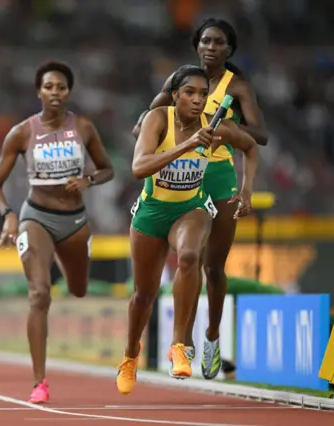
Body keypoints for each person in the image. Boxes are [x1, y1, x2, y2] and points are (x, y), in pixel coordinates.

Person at [132, 18, 268, 380]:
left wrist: (224, 130)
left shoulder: (236, 86)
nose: (210, 47)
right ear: (196, 45)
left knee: (213, 266)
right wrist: (151, 127)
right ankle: (183, 342)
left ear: (229, 49)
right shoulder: (179, 81)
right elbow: (144, 119)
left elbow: (260, 137)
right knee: (186, 258)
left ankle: (211, 338)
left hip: (219, 176)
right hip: (178, 173)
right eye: (205, 40)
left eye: (218, 42)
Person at [0, 60, 114, 404]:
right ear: (38, 91)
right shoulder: (22, 132)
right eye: (48, 87)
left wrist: (87, 180)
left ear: (68, 91)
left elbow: (107, 170)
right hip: (35, 217)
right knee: (39, 294)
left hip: (74, 223)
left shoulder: (83, 127)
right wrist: (9, 215)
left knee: (78, 289)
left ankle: (75, 265)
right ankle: (39, 382)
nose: (55, 93)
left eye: (61, 87)